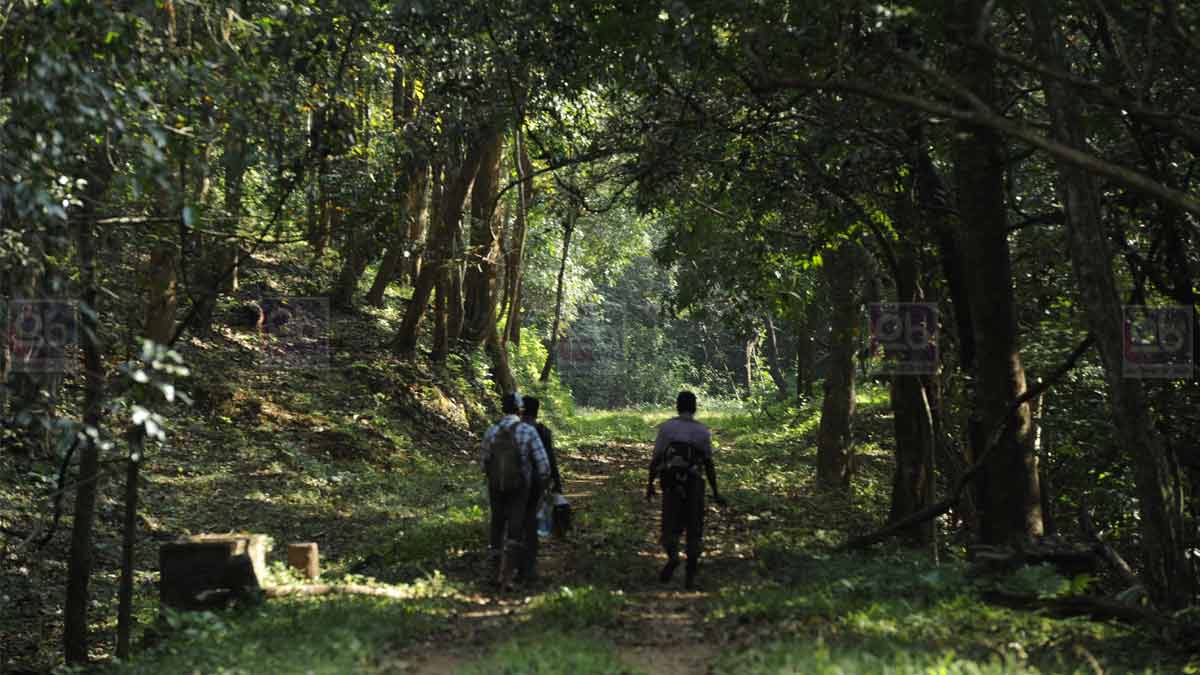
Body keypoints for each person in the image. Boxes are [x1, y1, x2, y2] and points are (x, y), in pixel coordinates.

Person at [646, 391, 726, 590]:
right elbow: (708, 464)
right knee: (694, 528)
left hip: (672, 483)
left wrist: (649, 484)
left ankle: (673, 557)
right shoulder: (702, 431)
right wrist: (716, 492)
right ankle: (690, 575)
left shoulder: (667, 428)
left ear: (677, 406)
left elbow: (656, 459)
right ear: (695, 407)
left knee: (670, 524)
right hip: (694, 484)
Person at [481, 392, 550, 589]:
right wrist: (542, 489)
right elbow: (543, 465)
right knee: (515, 528)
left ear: (503, 409)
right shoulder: (527, 431)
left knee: (496, 526)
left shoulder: (491, 431)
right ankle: (508, 577)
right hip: (520, 488)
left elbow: (484, 463)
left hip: (496, 487)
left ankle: (494, 572)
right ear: (519, 410)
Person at [518, 396, 564, 583]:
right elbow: (549, 459)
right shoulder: (542, 431)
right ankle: (528, 566)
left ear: (521, 411)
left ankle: (506, 564)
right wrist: (556, 483)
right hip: (535, 483)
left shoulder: (514, 429)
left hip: (511, 482)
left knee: (511, 521)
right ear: (537, 412)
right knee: (530, 522)